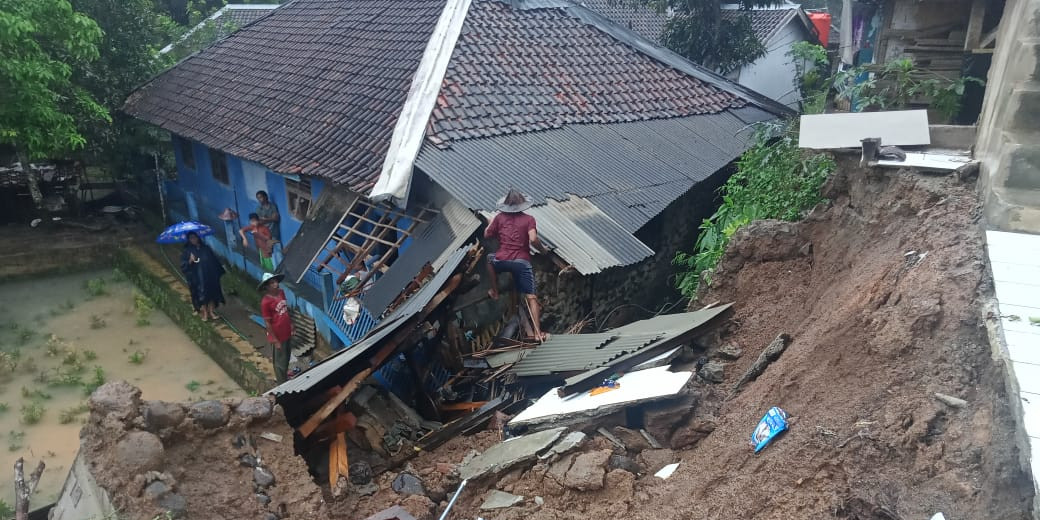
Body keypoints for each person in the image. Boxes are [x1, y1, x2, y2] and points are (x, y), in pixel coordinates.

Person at [484, 189, 550, 342]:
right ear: (523, 205)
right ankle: (538, 333)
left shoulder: (499, 218)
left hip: (502, 260)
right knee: (531, 298)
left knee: (489, 259)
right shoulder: (529, 219)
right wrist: (543, 250)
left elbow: (487, 234)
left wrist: (492, 223)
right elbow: (533, 239)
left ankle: (495, 291)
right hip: (521, 263)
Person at [181, 231, 226, 321]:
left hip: (209, 274)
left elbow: (213, 260)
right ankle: (205, 313)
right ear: (189, 240)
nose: (193, 239)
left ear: (198, 237)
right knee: (202, 295)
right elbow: (184, 265)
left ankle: (212, 311)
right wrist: (190, 261)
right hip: (197, 277)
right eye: (191, 238)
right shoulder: (187, 251)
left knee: (212, 293)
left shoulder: (206, 248)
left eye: (195, 237)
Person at [259, 273, 293, 383]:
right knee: (279, 362)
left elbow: (286, 310)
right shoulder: (265, 302)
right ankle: (281, 383)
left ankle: (285, 376)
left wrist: (292, 325)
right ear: (267, 287)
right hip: (277, 334)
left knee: (287, 356)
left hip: (286, 331)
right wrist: (275, 340)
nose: (276, 284)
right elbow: (267, 323)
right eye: (272, 283)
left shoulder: (281, 293)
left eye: (275, 281)